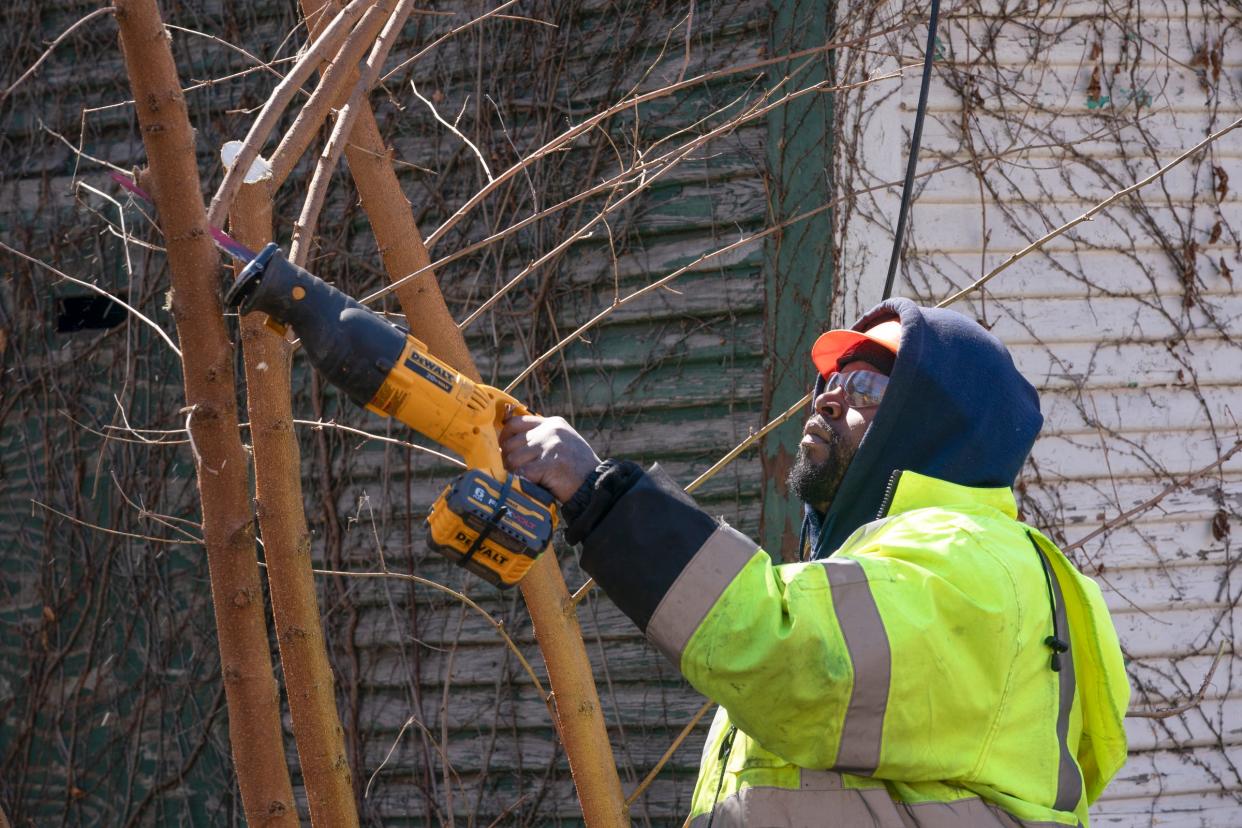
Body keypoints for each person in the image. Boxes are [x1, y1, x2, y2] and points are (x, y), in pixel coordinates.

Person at [500, 298, 1130, 827]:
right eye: (829, 382)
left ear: (937, 426)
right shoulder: (878, 567)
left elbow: (785, 655)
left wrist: (599, 493)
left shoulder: (965, 559)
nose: (827, 400)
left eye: (867, 387)